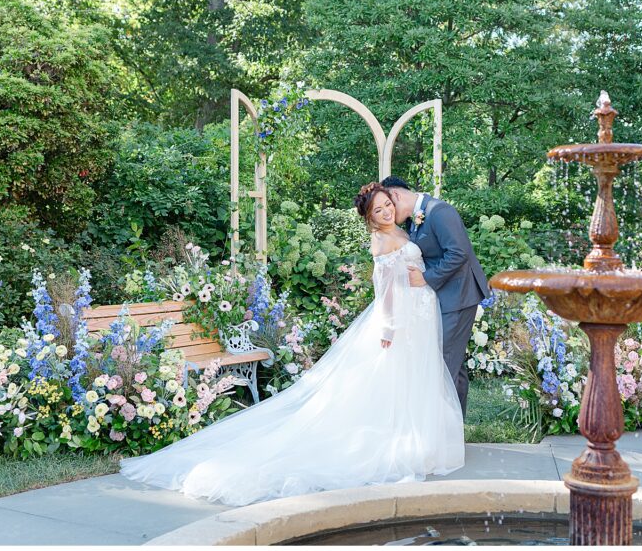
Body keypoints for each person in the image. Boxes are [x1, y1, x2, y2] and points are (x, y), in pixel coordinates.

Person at [119, 182, 464, 506]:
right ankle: (396, 446)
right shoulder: (382, 242)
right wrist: (387, 327)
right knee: (394, 380)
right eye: (378, 210)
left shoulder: (402, 230)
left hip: (419, 314)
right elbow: (384, 288)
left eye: (388, 205)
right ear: (369, 218)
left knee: (414, 377)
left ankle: (416, 444)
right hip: (401, 319)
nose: (387, 211)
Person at [380, 176, 491, 415]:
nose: (389, 212)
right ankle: (454, 434)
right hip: (440, 298)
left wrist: (426, 277)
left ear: (397, 196)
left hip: (458, 297)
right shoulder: (414, 220)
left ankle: (442, 435)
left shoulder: (439, 211)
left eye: (389, 205)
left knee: (442, 364)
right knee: (453, 365)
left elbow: (458, 253)